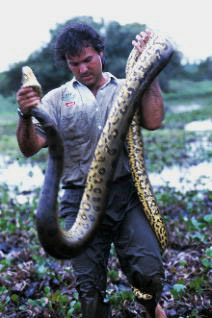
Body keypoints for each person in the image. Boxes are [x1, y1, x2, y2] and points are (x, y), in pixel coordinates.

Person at [16, 22, 167, 318]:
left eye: (88, 60)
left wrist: (150, 68)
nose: (83, 68)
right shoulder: (56, 100)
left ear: (101, 53)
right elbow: (30, 146)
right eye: (75, 64)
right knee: (89, 296)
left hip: (125, 196)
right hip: (78, 201)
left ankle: (152, 307)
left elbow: (153, 121)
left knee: (148, 273)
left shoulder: (127, 87)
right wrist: (25, 113)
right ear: (67, 64)